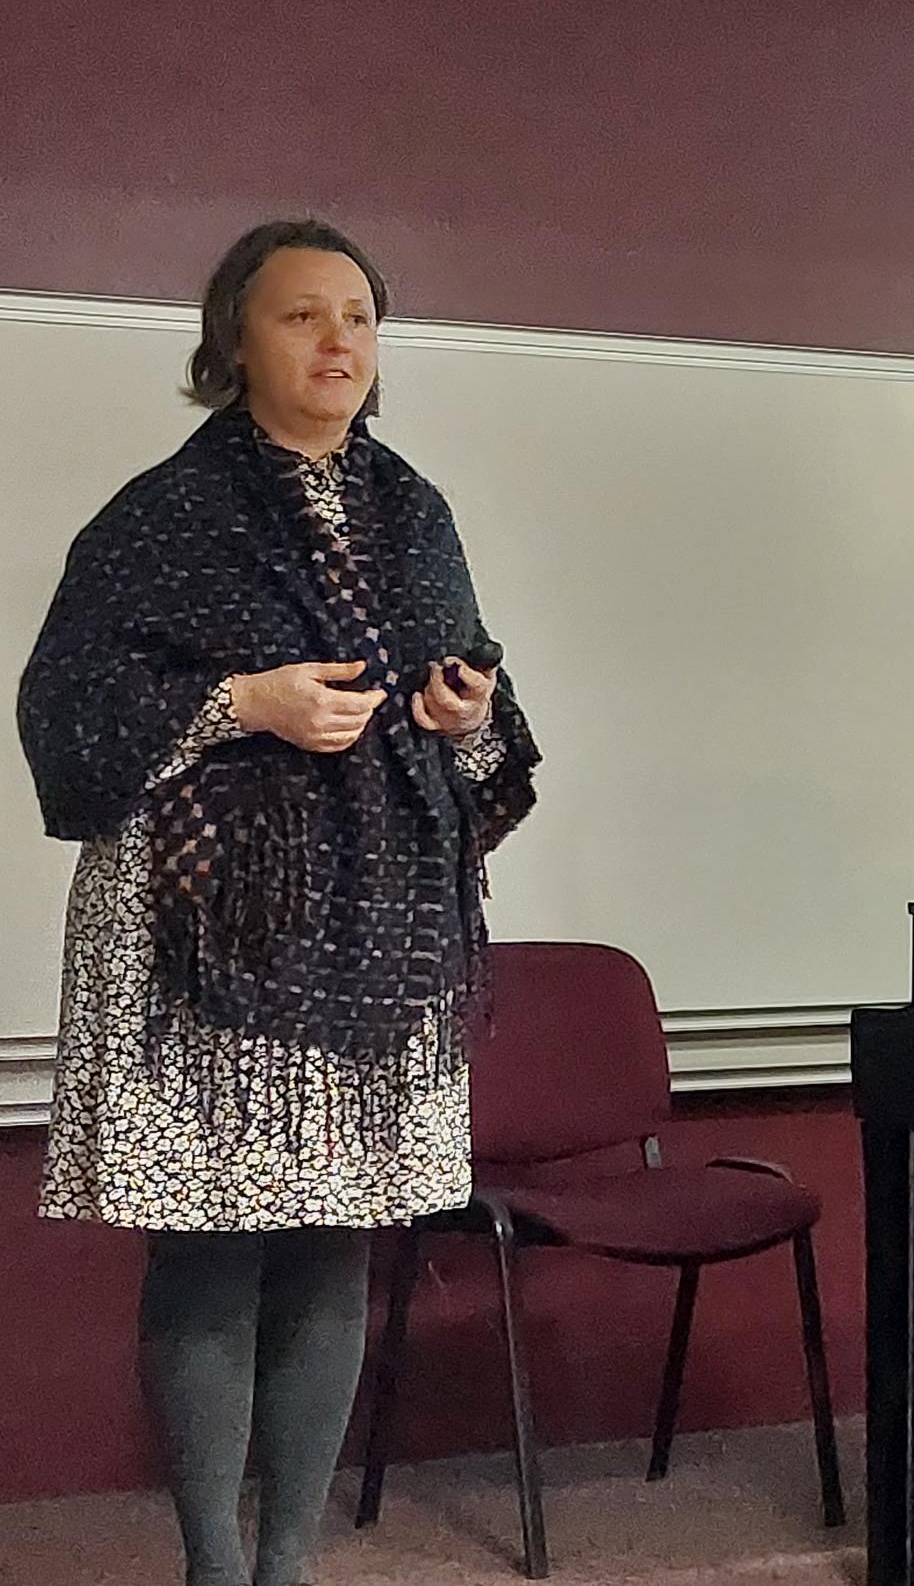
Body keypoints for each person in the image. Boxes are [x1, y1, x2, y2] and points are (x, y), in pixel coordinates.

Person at [17, 220, 541, 1586]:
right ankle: (211, 1564)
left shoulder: (417, 514)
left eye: (358, 317)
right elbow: (67, 714)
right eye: (301, 316)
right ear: (232, 341)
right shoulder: (161, 517)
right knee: (209, 1253)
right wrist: (242, 702)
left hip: (377, 934)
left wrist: (465, 710)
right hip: (202, 936)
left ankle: (289, 1563)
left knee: (329, 1251)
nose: (337, 342)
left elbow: (485, 733)